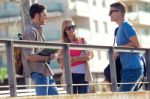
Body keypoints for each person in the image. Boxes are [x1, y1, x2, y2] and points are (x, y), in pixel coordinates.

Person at [21, 3, 59, 95]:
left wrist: (52, 55)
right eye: (44, 14)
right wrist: (46, 58)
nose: (46, 17)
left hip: (45, 72)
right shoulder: (31, 31)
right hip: (39, 73)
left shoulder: (39, 32)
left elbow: (40, 54)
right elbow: (29, 56)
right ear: (37, 15)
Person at [109, 2, 144, 92]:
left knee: (122, 96)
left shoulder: (126, 25)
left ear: (119, 12)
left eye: (111, 12)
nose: (109, 15)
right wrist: (118, 52)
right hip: (127, 68)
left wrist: (119, 49)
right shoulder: (119, 28)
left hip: (133, 68)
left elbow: (137, 44)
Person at [57, 18, 94, 94]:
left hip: (83, 75)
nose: (71, 29)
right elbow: (62, 63)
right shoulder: (63, 45)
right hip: (70, 76)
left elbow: (89, 56)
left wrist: (73, 59)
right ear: (65, 30)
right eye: (68, 28)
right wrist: (80, 58)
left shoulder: (82, 41)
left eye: (73, 27)